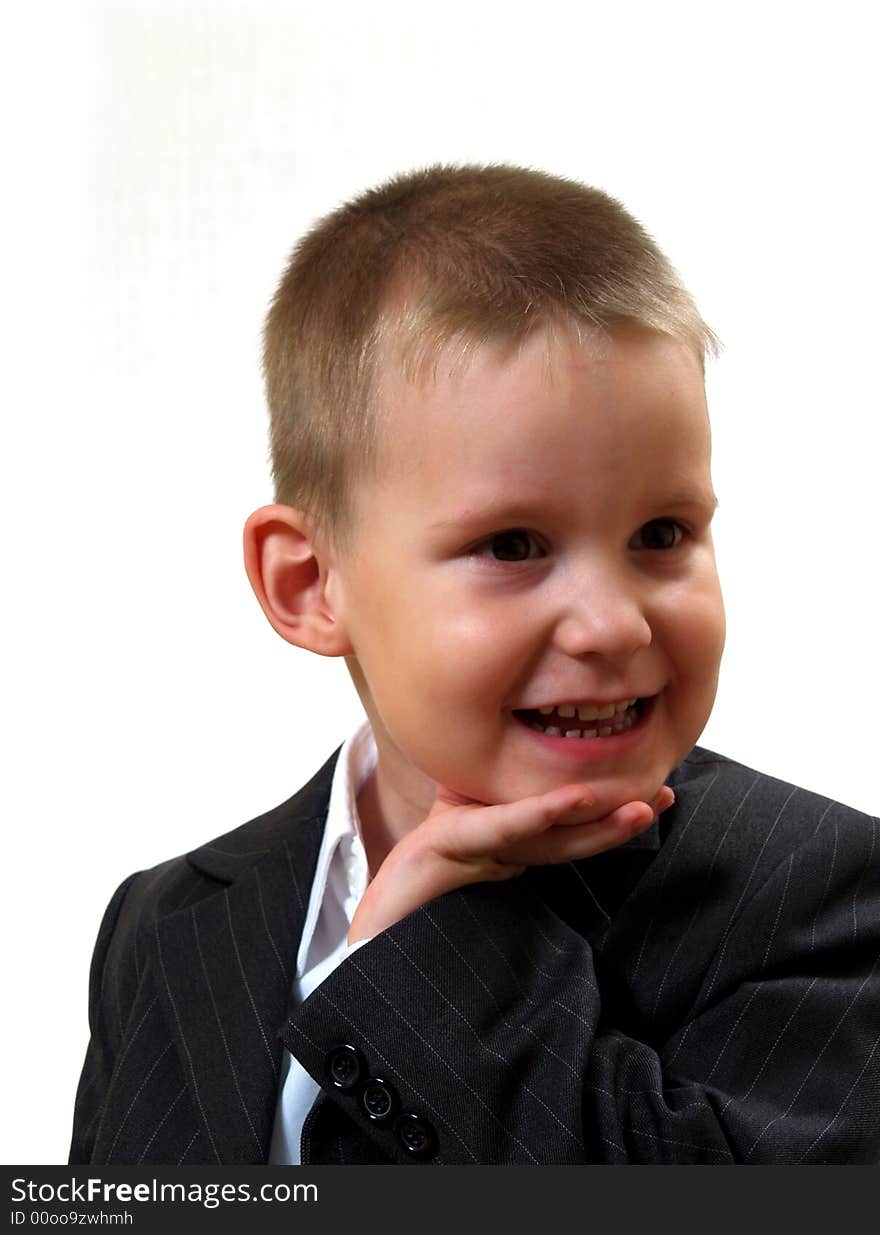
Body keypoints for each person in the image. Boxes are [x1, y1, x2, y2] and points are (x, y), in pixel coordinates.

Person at [69, 164, 879, 1166]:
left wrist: (435, 954)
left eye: (661, 531)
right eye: (513, 545)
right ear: (310, 582)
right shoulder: (165, 923)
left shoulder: (819, 895)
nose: (612, 623)